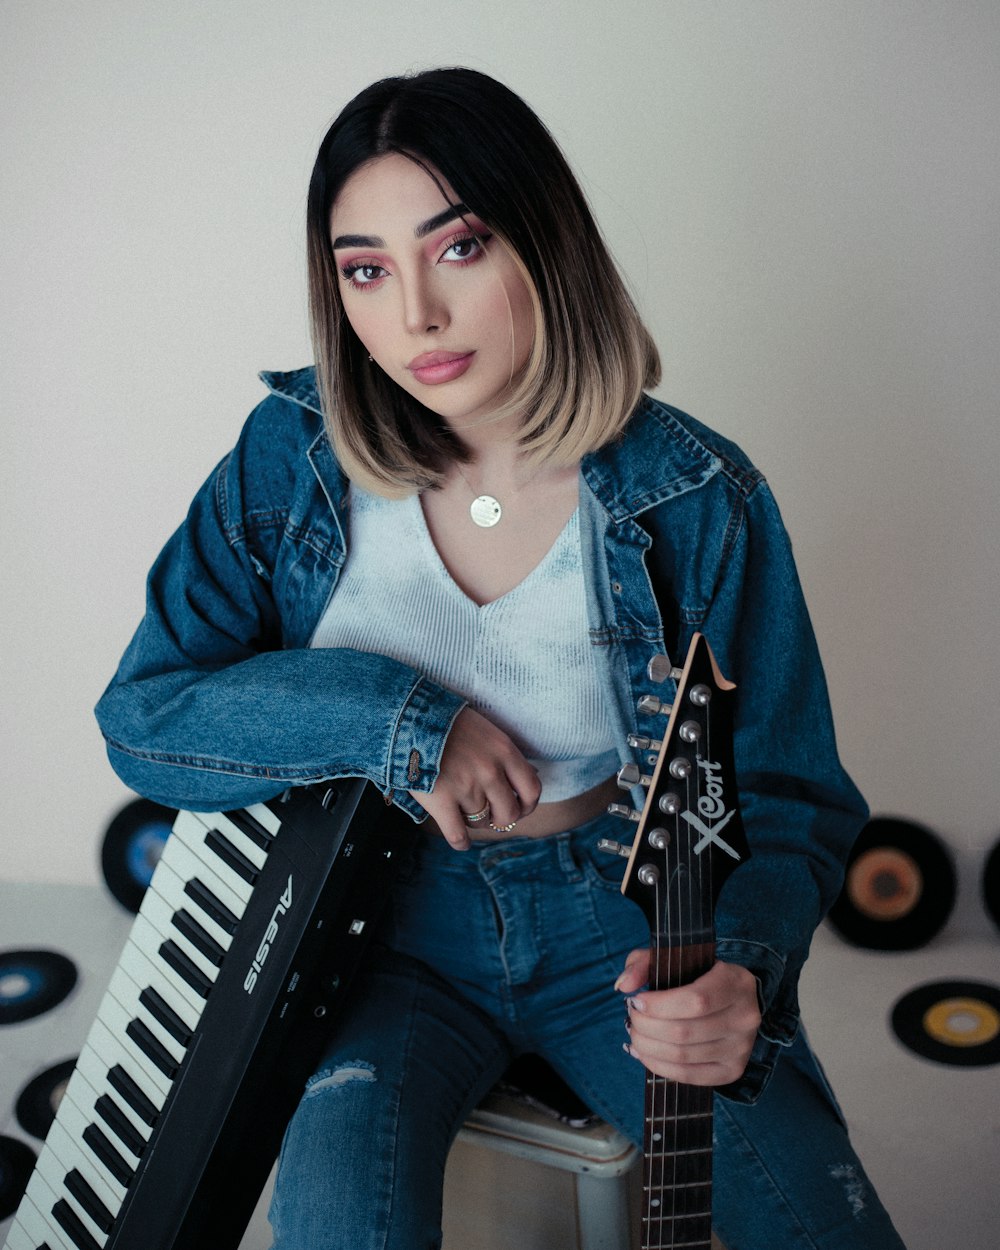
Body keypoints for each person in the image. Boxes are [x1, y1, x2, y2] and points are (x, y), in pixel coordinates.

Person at [95, 67, 905, 1249]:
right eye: (364, 269)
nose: (413, 313)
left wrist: (739, 969)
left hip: (622, 923)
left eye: (458, 248)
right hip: (374, 927)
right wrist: (396, 720)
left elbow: (789, 793)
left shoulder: (694, 493)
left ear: (544, 242)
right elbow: (147, 714)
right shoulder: (292, 459)